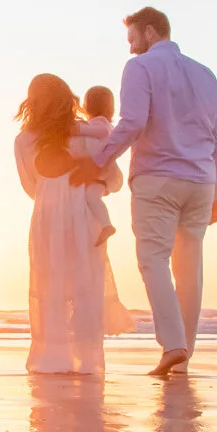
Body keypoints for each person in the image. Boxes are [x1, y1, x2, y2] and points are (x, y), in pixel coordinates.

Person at [83, 6, 217, 377]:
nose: (130, 48)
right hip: (201, 180)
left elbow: (132, 122)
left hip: (157, 178)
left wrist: (98, 160)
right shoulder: (206, 75)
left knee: (153, 259)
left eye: (132, 39)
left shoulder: (140, 67)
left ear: (150, 32)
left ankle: (173, 346)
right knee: (190, 267)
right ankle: (184, 355)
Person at [15, 74, 118, 374]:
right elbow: (112, 177)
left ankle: (51, 358)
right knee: (86, 285)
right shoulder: (89, 135)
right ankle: (87, 361)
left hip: (46, 217)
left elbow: (30, 186)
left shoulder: (23, 140)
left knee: (50, 285)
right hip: (84, 215)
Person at [80, 85, 138, 337]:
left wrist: (72, 126)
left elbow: (98, 132)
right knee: (93, 197)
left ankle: (106, 225)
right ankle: (105, 223)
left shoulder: (101, 125)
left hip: (100, 174)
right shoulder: (101, 127)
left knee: (92, 196)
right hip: (102, 176)